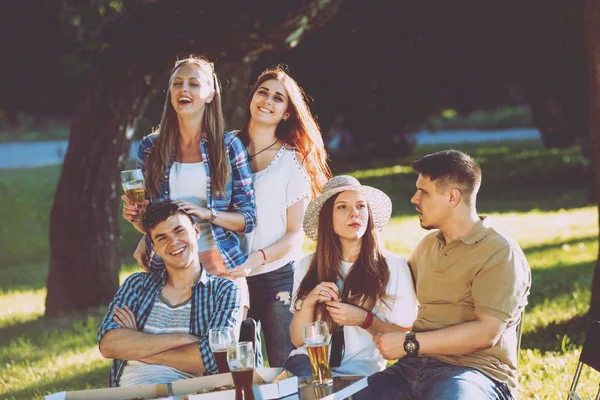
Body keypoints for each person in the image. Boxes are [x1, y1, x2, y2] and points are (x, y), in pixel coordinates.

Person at [364, 150, 531, 400]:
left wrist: (410, 343)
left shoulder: (500, 252)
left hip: (475, 373)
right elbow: (395, 294)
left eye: (423, 192)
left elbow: (486, 333)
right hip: (412, 368)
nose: (413, 199)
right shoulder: (428, 245)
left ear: (452, 197)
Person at [121, 56, 256, 302]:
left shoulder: (229, 147)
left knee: (226, 341)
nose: (183, 89)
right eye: (177, 83)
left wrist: (208, 214)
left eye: (194, 84)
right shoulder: (150, 148)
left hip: (222, 267)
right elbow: (150, 223)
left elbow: (248, 219)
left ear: (210, 94)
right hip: (169, 270)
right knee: (178, 341)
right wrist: (137, 219)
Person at [228, 66, 331, 367]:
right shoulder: (223, 148)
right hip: (231, 279)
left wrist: (254, 259)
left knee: (286, 370)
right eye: (263, 92)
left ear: (286, 113)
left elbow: (294, 234)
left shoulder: (292, 159)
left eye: (278, 98)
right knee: (238, 372)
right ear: (251, 97)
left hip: (278, 277)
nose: (268, 101)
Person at [284, 175, 418, 376]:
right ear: (328, 218)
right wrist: (310, 301)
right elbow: (298, 340)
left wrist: (365, 320)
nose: (354, 213)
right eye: (342, 207)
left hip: (361, 371)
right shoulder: (307, 266)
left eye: (361, 206)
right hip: (308, 365)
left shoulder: (393, 267)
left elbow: (404, 340)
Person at [98, 201, 242, 387]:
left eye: (179, 230)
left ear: (196, 231)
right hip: (129, 393)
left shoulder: (225, 290)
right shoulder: (137, 286)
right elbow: (109, 345)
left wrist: (136, 345)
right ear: (155, 248)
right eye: (162, 238)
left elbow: (212, 358)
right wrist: (182, 339)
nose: (173, 242)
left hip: (186, 395)